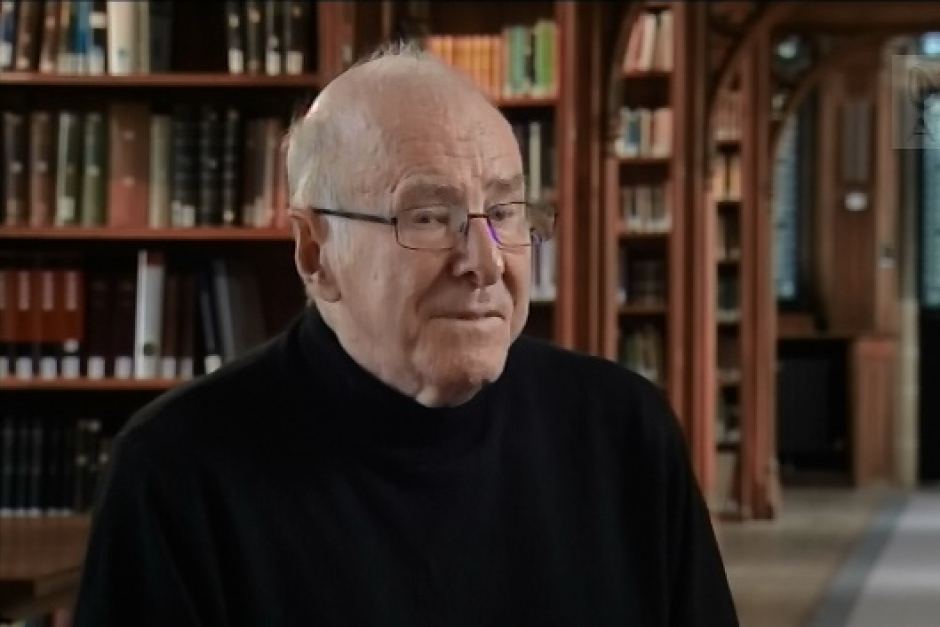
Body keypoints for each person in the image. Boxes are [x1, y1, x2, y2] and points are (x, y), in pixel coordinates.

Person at [73, 44, 739, 626]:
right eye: (427, 216)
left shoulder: (624, 431)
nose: (484, 262)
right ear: (314, 252)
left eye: (504, 211)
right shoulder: (175, 474)